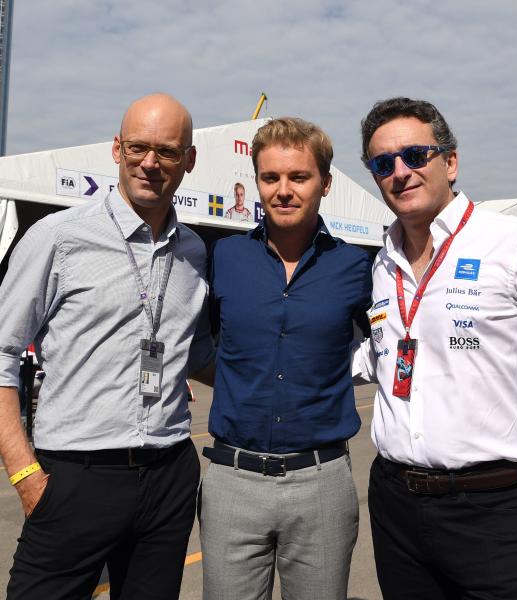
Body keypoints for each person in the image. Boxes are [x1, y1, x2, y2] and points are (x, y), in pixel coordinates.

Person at [352, 97, 517, 599]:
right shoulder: (381, 262)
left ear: (450, 162)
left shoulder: (512, 243)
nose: (400, 172)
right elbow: (381, 353)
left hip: (492, 506)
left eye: (415, 155)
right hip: (395, 504)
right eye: (382, 163)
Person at [0, 93, 215, 600]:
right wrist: (24, 474)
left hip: (168, 473)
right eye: (139, 147)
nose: (151, 163)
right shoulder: (58, 237)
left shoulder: (193, 251)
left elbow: (198, 355)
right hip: (76, 476)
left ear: (188, 160)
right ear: (116, 149)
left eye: (167, 151)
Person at [200, 118, 372, 600]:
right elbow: (194, 345)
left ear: (325, 184)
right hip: (233, 481)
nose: (283, 190)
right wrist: (239, 382)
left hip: (321, 482)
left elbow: (392, 344)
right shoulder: (224, 258)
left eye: (299, 177)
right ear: (256, 181)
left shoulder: (355, 267)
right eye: (270, 177)